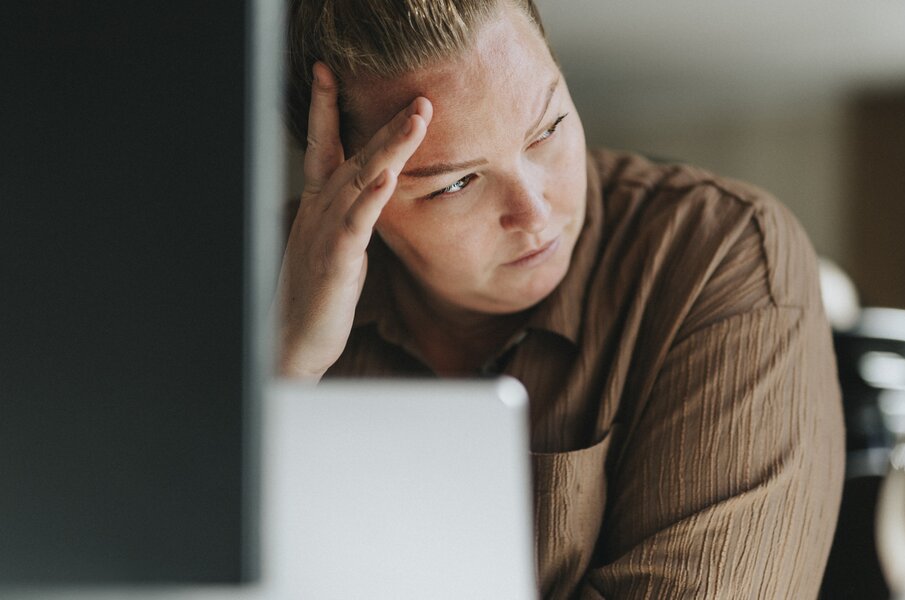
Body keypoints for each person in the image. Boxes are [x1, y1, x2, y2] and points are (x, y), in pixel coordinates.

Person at [280, 0, 845, 597]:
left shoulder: (721, 256)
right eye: (456, 184)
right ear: (342, 188)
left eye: (547, 130)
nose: (535, 212)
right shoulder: (255, 290)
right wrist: (284, 370)